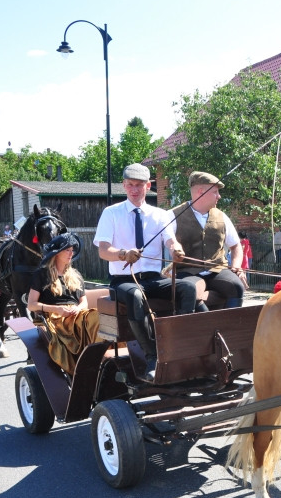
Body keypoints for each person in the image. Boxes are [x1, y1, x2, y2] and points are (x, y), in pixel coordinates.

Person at [93, 163, 197, 381]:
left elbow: (171, 241)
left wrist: (176, 249)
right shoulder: (111, 213)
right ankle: (152, 355)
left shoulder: (160, 215)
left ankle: (179, 344)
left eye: (139, 185)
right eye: (130, 185)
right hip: (122, 280)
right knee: (134, 294)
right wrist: (123, 254)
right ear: (124, 186)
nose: (134, 189)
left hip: (153, 278)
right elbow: (103, 251)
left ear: (148, 186)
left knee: (188, 287)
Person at [169, 171, 248, 310]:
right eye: (215, 192)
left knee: (237, 287)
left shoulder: (221, 216)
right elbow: (165, 243)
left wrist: (236, 267)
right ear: (201, 192)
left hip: (217, 270)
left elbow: (236, 246)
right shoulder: (172, 216)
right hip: (188, 272)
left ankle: (228, 326)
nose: (219, 196)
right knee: (191, 291)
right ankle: (206, 326)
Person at [27, 232, 100, 375]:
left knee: (102, 318)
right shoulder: (42, 274)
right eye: (67, 250)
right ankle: (92, 361)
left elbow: (83, 301)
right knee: (96, 319)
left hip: (78, 314)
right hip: (56, 318)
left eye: (72, 250)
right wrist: (57, 309)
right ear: (57, 253)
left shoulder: (75, 274)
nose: (71, 253)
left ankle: (101, 359)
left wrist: (78, 309)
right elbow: (31, 304)